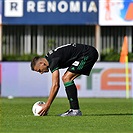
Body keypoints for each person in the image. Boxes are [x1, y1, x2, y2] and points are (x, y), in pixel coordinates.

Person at [31, 43, 99, 116]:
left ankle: (75, 110)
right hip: (85, 53)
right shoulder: (50, 58)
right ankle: (74, 110)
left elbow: (56, 85)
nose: (41, 73)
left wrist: (47, 105)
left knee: (67, 78)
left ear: (42, 63)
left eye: (39, 70)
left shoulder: (53, 60)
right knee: (66, 78)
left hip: (87, 53)